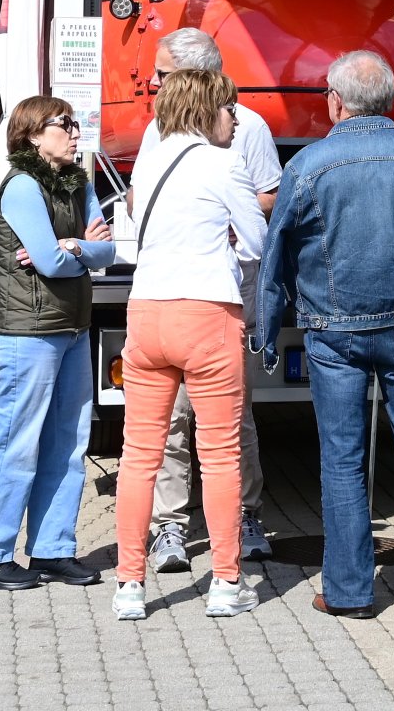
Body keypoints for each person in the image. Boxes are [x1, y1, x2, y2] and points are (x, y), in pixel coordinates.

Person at [254, 51, 394, 617]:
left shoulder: (309, 163)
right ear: (390, 99)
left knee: (341, 459)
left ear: (335, 101)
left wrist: (269, 331)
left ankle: (347, 591)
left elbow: (276, 254)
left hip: (332, 334)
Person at [113, 69, 267, 622]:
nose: (235, 118)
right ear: (207, 109)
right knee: (220, 454)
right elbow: (256, 241)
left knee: (139, 455)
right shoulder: (226, 163)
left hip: (147, 312)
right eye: (229, 108)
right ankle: (226, 581)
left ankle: (130, 584)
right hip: (207, 313)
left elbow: (129, 244)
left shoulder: (147, 163)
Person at [0, 96, 115, 591]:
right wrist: (74, 250)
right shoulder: (23, 186)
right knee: (15, 442)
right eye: (63, 125)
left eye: (74, 123)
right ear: (31, 134)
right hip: (29, 332)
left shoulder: (78, 182)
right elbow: (47, 263)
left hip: (72, 326)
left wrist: (75, 247)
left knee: (68, 443)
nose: (74, 132)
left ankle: (52, 549)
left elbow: (107, 249)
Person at [142, 29, 281, 574]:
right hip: (171, 291)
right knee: (171, 419)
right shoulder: (159, 128)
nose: (152, 82)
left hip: (228, 293)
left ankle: (246, 516)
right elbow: (143, 197)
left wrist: (226, 219)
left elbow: (269, 194)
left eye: (162, 73)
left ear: (191, 76)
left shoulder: (248, 127)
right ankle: (170, 527)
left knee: (230, 416)